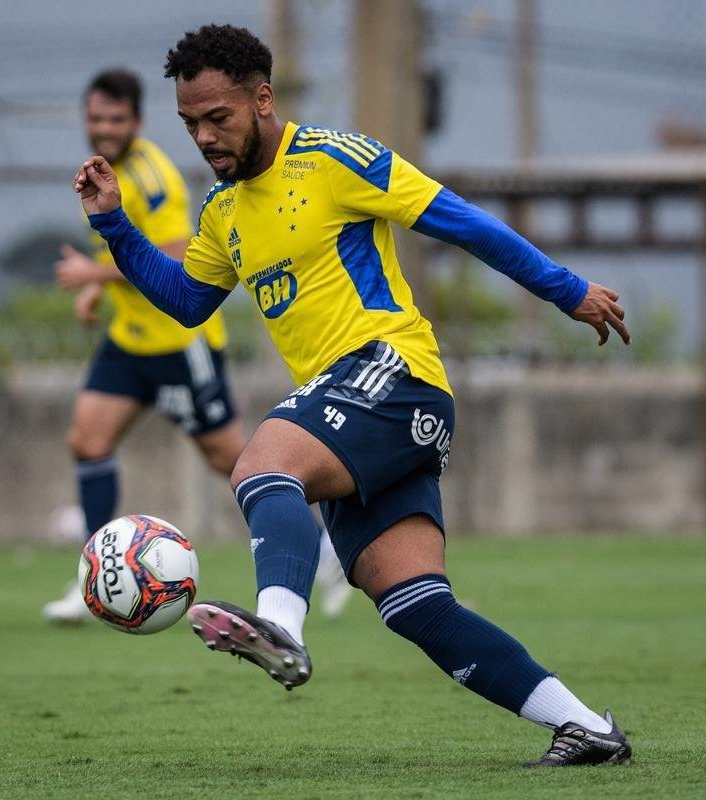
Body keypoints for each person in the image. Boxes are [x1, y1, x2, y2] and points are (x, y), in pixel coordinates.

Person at [72, 26, 632, 767]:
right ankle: (587, 727)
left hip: (393, 374)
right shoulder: (224, 211)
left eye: (219, 117)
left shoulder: (336, 158)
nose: (204, 136)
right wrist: (113, 224)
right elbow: (185, 300)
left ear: (262, 99)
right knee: (414, 605)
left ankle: (283, 629)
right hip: (358, 408)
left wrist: (568, 291)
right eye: (190, 123)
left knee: (259, 466)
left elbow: (460, 222)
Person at [46, 67, 350, 623]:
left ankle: (326, 545)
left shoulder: (151, 173)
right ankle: (95, 574)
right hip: (129, 341)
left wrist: (92, 276)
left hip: (177, 343)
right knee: (87, 440)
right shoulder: (110, 171)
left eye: (116, 119)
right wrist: (97, 289)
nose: (104, 128)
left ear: (136, 122)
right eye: (96, 118)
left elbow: (179, 247)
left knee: (235, 461)